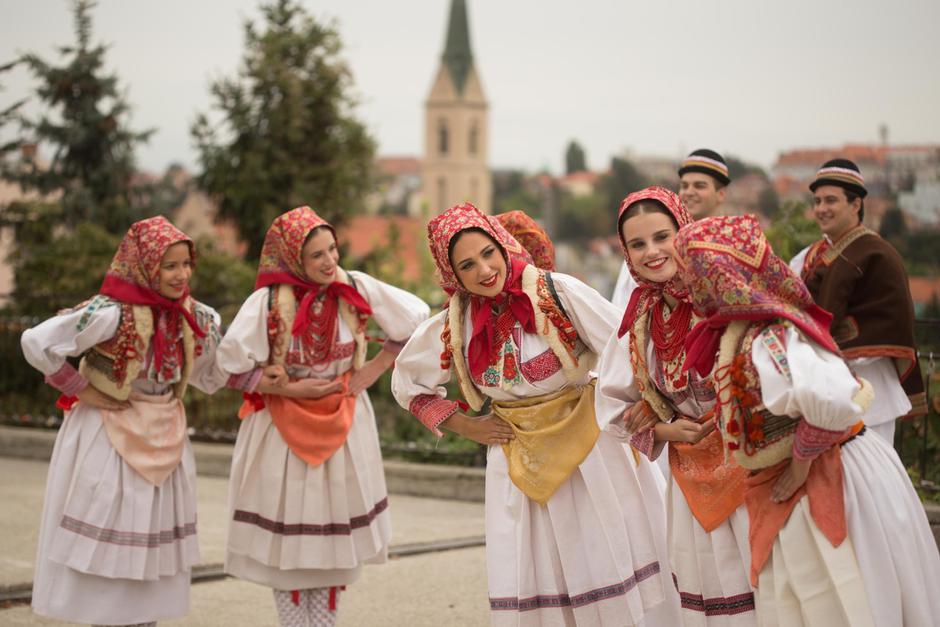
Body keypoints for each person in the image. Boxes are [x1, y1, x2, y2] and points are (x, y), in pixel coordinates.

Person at [392, 202, 680, 626]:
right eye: (467, 264)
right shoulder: (456, 323)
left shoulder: (555, 292)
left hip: (591, 457)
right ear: (452, 274)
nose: (485, 270)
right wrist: (467, 426)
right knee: (540, 577)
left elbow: (629, 343)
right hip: (517, 466)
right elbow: (408, 383)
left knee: (607, 559)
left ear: (502, 244)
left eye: (488, 253)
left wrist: (642, 403)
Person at [675, 214, 940, 627]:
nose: (689, 286)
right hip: (808, 472)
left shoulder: (772, 335)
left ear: (721, 276)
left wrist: (800, 462)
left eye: (695, 275)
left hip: (830, 470)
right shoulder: (749, 330)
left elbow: (834, 399)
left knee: (840, 596)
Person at [216, 206, 429, 627]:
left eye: (332, 249)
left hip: (344, 420)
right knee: (289, 537)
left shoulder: (355, 288)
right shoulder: (271, 301)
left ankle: (323, 623)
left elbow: (415, 318)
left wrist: (371, 370)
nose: (330, 261)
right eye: (317, 255)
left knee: (332, 538)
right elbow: (228, 366)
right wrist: (283, 386)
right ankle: (295, 622)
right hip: (281, 428)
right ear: (294, 258)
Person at [20, 216, 227, 626]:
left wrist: (252, 368)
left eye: (186, 264)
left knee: (151, 547)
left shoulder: (197, 317)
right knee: (108, 541)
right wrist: (79, 387)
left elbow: (210, 376)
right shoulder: (110, 313)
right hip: (108, 434)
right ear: (145, 265)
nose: (181, 274)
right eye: (170, 265)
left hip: (164, 431)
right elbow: (36, 341)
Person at [596, 187, 756, 625]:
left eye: (662, 237)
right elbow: (610, 408)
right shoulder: (641, 318)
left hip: (751, 466)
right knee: (707, 584)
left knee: (761, 577)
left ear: (684, 232)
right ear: (626, 253)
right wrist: (665, 430)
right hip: (692, 479)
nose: (652, 252)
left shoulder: (722, 295)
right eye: (638, 244)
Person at [790, 158, 926, 444]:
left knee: (872, 482)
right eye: (816, 201)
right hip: (819, 393)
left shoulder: (879, 256)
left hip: (870, 393)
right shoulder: (805, 258)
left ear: (856, 204)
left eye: (831, 200)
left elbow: (891, 323)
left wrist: (829, 344)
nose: (821, 209)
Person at [610, 148, 730, 309]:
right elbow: (619, 311)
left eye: (699, 186)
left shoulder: (732, 250)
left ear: (721, 194)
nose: (689, 192)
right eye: (684, 186)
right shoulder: (639, 264)